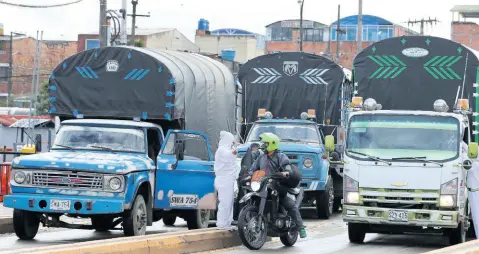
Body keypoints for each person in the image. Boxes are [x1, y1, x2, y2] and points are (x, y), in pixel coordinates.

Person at [247, 133, 307, 238]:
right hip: (263, 183)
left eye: (265, 143)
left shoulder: (280, 156)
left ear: (272, 144)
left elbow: (287, 165)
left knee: (289, 204)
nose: (263, 145)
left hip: (277, 184)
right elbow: (253, 168)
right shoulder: (261, 157)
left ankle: (300, 226)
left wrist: (286, 172)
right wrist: (249, 175)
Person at [214, 131, 238, 231]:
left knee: (229, 201)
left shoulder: (225, 149)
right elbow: (230, 154)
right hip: (224, 180)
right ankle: (221, 224)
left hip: (228, 180)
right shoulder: (222, 150)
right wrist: (236, 149)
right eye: (231, 141)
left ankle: (227, 222)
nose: (232, 143)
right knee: (225, 202)